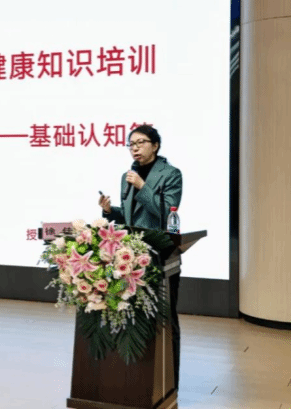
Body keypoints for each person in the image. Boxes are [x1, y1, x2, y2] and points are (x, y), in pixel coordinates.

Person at [98, 124, 183, 391]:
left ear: (155, 145)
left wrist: (143, 186)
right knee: (131, 317)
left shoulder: (171, 174)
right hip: (130, 256)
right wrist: (110, 211)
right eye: (131, 144)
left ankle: (169, 381)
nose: (134, 148)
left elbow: (166, 212)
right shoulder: (128, 175)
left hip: (160, 255)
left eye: (140, 142)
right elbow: (130, 216)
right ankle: (135, 379)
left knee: (165, 319)